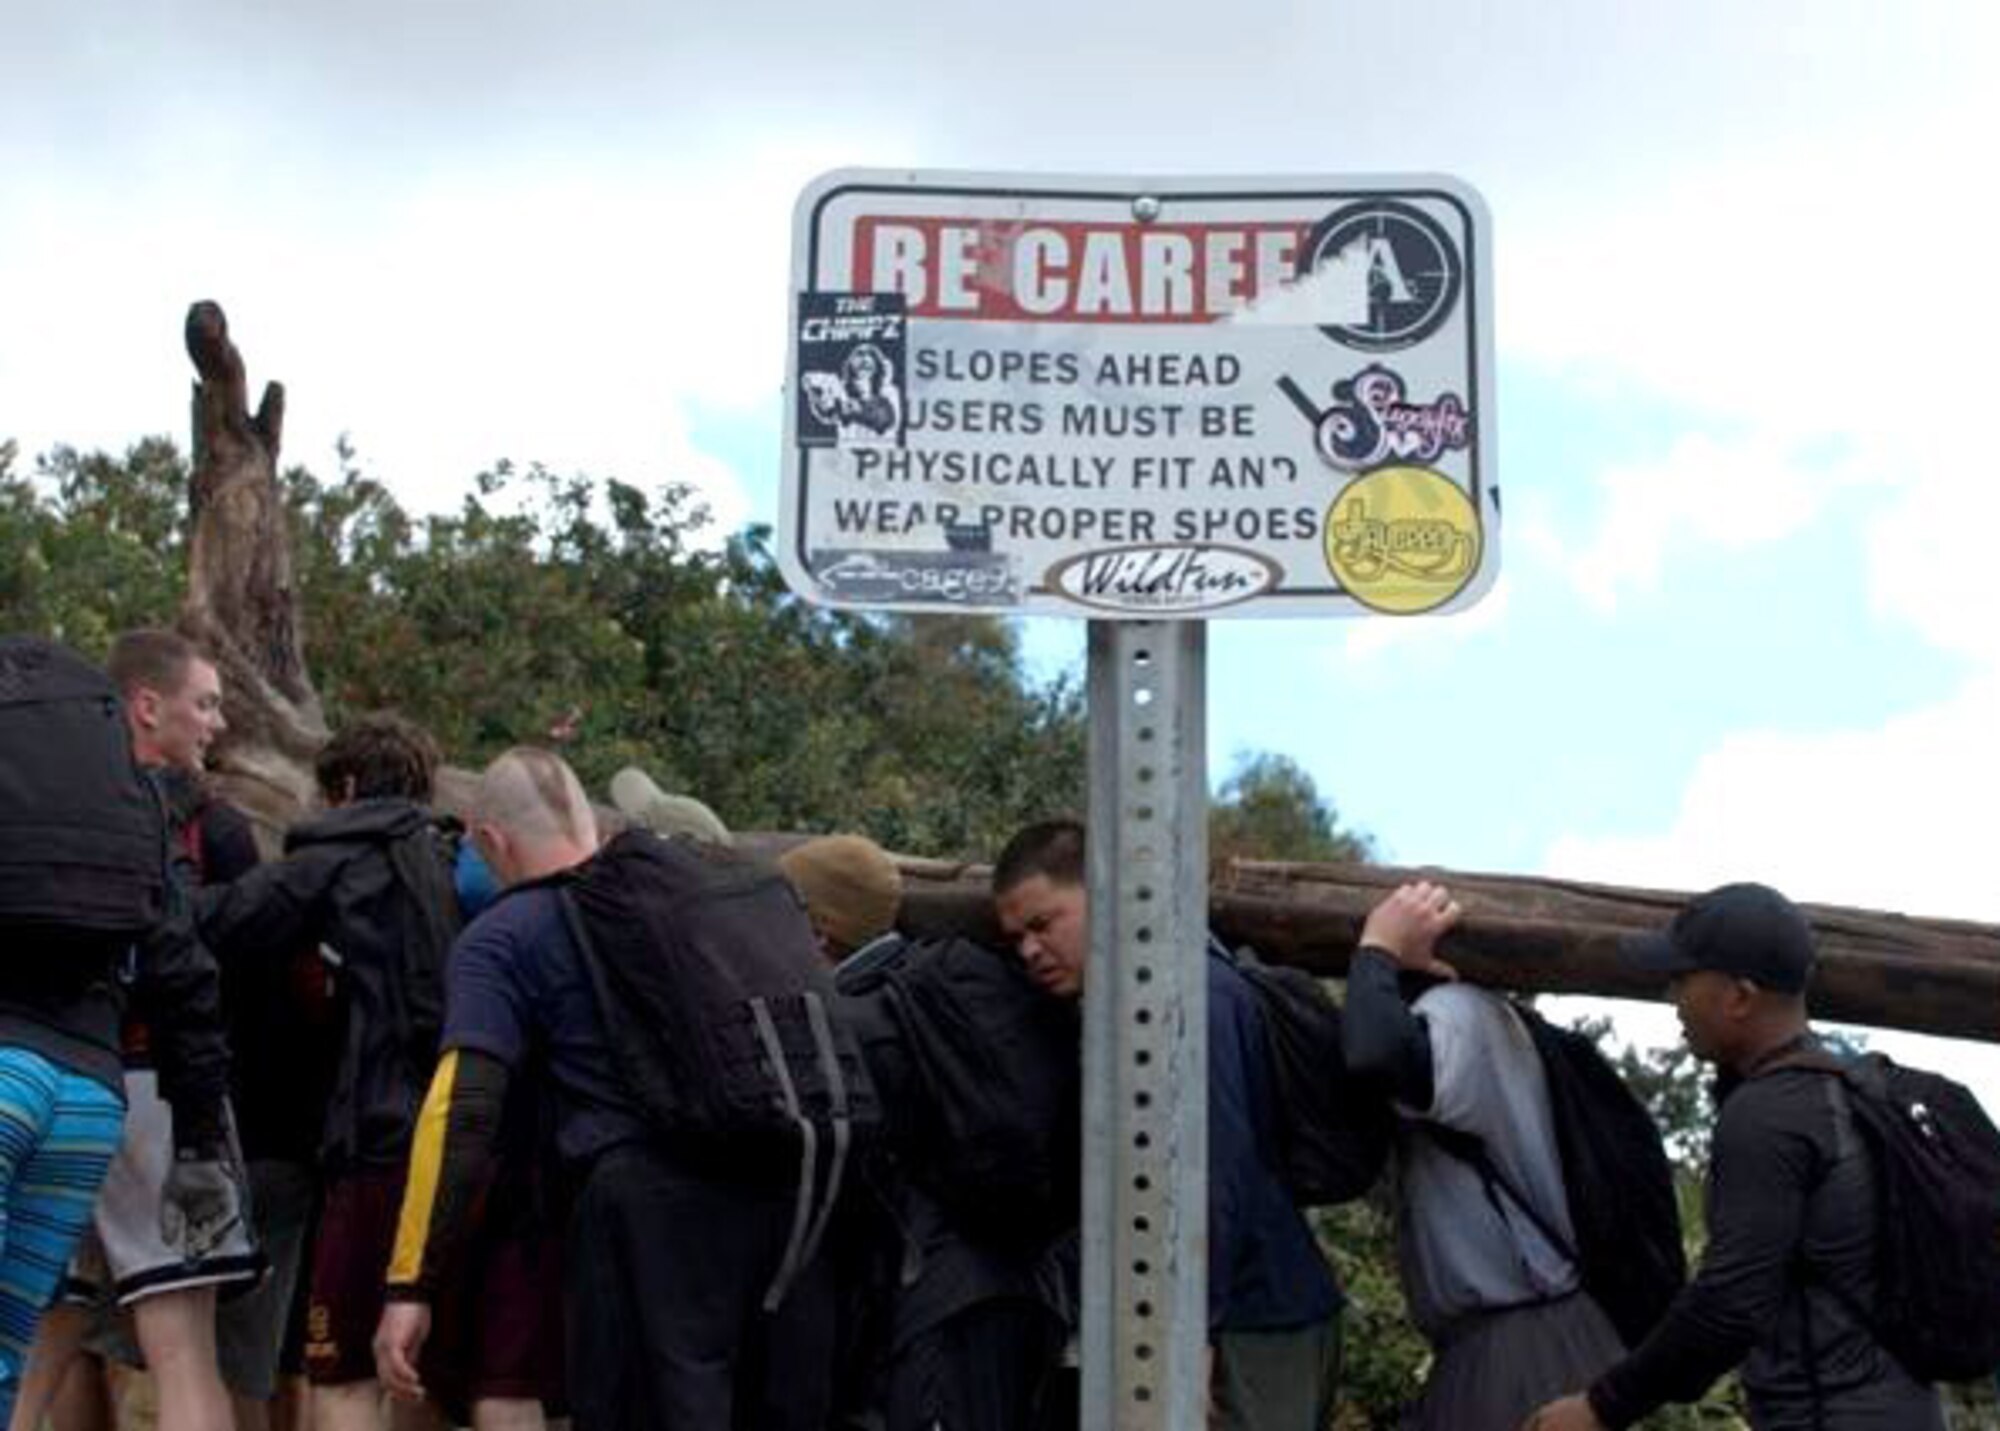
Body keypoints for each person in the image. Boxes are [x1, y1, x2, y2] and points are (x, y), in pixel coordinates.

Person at [374, 747, 831, 1431]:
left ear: (492, 841)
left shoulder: (504, 935)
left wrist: (413, 1281)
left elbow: (463, 1107)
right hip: (772, 1191)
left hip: (630, 1210)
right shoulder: (681, 908)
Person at [1524, 882, 1946, 1430]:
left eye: (1683, 978)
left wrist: (1599, 1407)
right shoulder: (1854, 1091)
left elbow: (1728, 1305)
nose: (1671, 996)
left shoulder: (1768, 1114)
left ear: (1740, 997)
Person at [990, 820, 1341, 1431]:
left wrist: (1189, 1335)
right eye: (1015, 938)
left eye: (1043, 925)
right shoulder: (1141, 999)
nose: (1028, 951)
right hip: (1239, 1314)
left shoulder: (1187, 997)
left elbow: (1212, 1169)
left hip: (1251, 1323)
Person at [12, 630, 257, 1431]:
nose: (217, 724)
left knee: (37, 1338)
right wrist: (199, 1135)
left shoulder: (37, 792)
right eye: (207, 702)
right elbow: (190, 969)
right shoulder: (169, 814)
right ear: (145, 706)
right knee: (180, 1347)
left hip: (43, 1070)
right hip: (126, 1090)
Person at [783, 833, 1075, 1431]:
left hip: (939, 1308)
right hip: (1022, 1295)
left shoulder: (864, 1027)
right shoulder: (953, 994)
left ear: (817, 932)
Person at [1340, 880, 1622, 1430]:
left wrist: (1378, 949)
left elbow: (1376, 1053)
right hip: (1505, 1339)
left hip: (1526, 1340)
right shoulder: (1486, 1023)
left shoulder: (1461, 1012)